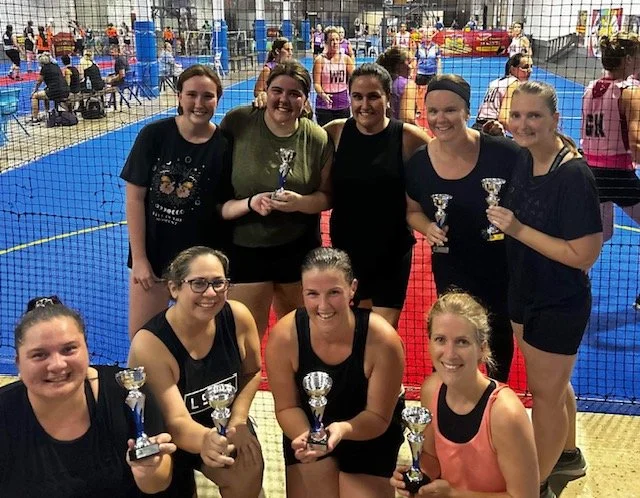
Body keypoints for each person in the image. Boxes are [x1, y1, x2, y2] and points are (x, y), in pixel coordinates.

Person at [488, 81, 603, 498]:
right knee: (552, 385)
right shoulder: (524, 157)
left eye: (534, 116)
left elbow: (584, 253)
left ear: (555, 119)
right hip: (524, 289)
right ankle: (567, 456)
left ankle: (534, 485)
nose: (523, 124)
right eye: (517, 115)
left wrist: (518, 229)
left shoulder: (572, 175)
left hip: (558, 301)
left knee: (546, 396)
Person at [0, 296, 182, 497]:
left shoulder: (125, 394)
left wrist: (149, 470)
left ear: (87, 350)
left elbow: (157, 484)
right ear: (18, 363)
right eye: (39, 355)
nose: (57, 365)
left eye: (69, 349)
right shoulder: (5, 411)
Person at [404, 74, 520, 383]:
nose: (440, 119)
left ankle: (496, 395)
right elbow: (412, 210)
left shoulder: (504, 154)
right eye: (433, 111)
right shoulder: (419, 163)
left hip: (500, 265)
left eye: (450, 110)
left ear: (467, 111)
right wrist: (428, 227)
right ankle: (449, 395)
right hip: (451, 265)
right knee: (452, 333)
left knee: (498, 333)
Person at [265, 247, 406, 498]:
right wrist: (309, 437)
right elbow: (287, 407)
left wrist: (342, 430)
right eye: (312, 294)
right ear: (302, 292)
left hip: (367, 433)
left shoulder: (383, 341)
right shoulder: (284, 336)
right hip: (308, 427)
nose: (323, 305)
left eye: (334, 292)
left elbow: (378, 417)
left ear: (352, 288)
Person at [128, 246, 264, 497]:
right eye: (198, 283)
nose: (210, 293)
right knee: (162, 483)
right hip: (169, 435)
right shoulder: (150, 344)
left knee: (248, 468)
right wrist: (205, 441)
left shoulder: (238, 317)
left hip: (222, 425)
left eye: (218, 283)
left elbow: (252, 372)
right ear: (174, 288)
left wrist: (238, 420)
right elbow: (175, 421)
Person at [220, 60, 333, 340]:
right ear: (265, 91)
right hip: (246, 248)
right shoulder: (239, 122)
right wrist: (249, 203)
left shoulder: (316, 138)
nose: (284, 99)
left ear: (305, 100)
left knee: (301, 335)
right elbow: (217, 188)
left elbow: (327, 196)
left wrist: (299, 203)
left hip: (297, 248)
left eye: (294, 93)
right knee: (243, 337)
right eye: (277, 91)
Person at [120, 64, 232, 338]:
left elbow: (223, 206)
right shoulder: (154, 136)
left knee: (199, 340)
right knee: (144, 338)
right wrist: (140, 259)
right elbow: (134, 199)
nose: (199, 103)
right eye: (191, 94)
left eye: (208, 96)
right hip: (155, 258)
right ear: (179, 96)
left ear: (218, 99)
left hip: (200, 264)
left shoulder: (224, 145)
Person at [390, 292, 539, 497]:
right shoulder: (431, 390)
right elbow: (431, 457)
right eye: (440, 340)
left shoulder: (505, 414)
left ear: (482, 348)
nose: (450, 354)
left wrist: (453, 494)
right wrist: (417, 476)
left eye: (462, 342)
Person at [324, 63, 429, 327]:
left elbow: (446, 155)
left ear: (387, 98)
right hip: (347, 249)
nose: (364, 105)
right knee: (353, 329)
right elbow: (296, 140)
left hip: (391, 251)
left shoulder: (407, 137)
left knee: (383, 332)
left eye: (373, 96)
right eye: (357, 97)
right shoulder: (336, 132)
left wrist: (486, 138)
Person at [581, 33, 640, 310]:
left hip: (590, 171)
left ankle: (575, 284)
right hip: (618, 174)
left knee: (601, 234)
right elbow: (636, 140)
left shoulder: (591, 87)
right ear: (627, 59)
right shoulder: (630, 91)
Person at [474, 53, 532, 132]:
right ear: (513, 69)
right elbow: (503, 118)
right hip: (492, 129)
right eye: (525, 67)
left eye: (531, 66)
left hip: (478, 126)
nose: (530, 70)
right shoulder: (514, 84)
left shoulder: (495, 82)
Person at [313, 26, 355, 126]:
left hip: (342, 104)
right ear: (326, 42)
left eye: (337, 39)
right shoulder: (320, 60)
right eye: (332, 40)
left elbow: (355, 79)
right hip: (324, 105)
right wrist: (323, 95)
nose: (335, 42)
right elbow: (316, 84)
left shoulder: (346, 59)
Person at [377, 47, 418, 124]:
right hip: (398, 130)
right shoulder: (407, 85)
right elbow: (407, 120)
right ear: (398, 66)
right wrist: (421, 131)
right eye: (409, 62)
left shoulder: (379, 82)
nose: (412, 67)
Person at [30, 52, 70, 124]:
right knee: (45, 92)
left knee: (35, 96)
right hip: (65, 89)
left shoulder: (44, 68)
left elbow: (39, 81)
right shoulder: (56, 66)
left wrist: (35, 90)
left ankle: (35, 118)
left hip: (55, 91)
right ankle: (47, 113)